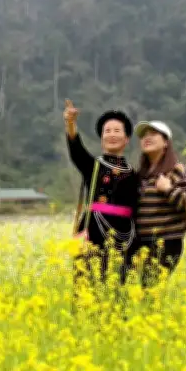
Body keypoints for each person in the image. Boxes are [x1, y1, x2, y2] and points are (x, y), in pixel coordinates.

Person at [63, 99, 140, 287]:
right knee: (87, 290)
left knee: (118, 293)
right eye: (107, 131)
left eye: (117, 131)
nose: (112, 135)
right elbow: (76, 150)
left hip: (125, 240)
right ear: (102, 138)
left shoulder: (135, 175)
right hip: (93, 234)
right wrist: (70, 124)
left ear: (126, 138)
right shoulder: (93, 166)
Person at [127, 120, 186, 288]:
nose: (147, 138)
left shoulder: (178, 171)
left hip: (166, 243)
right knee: (129, 292)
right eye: (144, 135)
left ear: (166, 142)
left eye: (153, 134)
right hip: (139, 244)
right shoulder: (141, 176)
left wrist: (168, 190)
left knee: (150, 294)